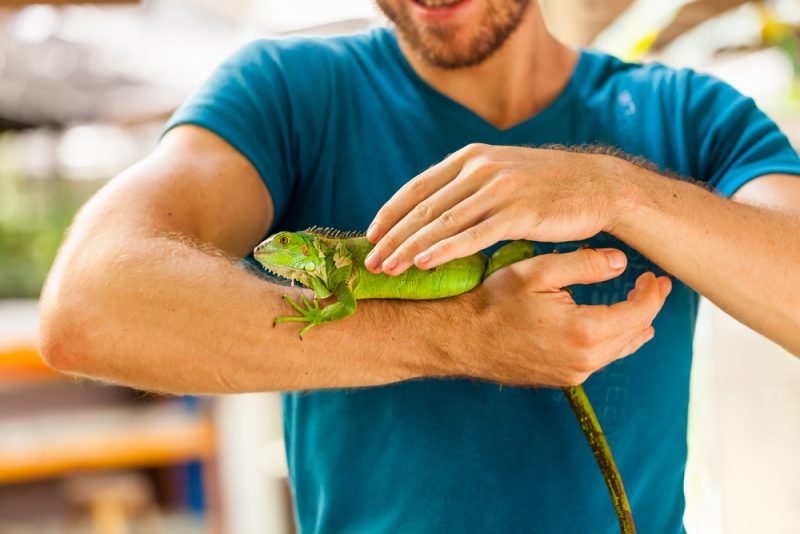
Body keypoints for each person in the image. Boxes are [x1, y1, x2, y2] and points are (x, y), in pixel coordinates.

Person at [40, 0, 800, 532]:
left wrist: (616, 190)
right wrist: (463, 337)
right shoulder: (286, 92)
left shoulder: (689, 114)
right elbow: (86, 308)